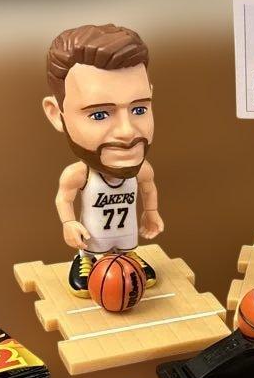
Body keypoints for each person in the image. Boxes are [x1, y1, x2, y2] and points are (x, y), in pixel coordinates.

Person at [43, 24, 164, 297]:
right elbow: (64, 199)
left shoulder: (142, 171)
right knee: (92, 246)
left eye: (139, 109)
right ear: (56, 114)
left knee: (127, 245)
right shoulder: (78, 175)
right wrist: (68, 223)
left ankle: (128, 256)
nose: (127, 132)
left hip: (125, 234)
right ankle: (85, 260)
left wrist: (151, 212)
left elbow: (148, 189)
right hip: (94, 238)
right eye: (99, 114)